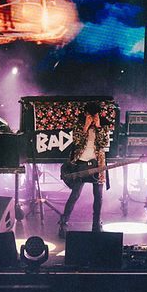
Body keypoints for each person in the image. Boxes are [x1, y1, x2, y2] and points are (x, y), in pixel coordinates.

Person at [58, 101, 113, 238]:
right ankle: (64, 223)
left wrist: (98, 126)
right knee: (75, 194)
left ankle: (96, 224)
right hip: (80, 162)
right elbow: (77, 141)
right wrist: (85, 127)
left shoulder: (103, 125)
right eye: (90, 115)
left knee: (98, 196)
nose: (92, 117)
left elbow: (104, 143)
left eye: (94, 115)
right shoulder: (79, 124)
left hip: (97, 164)